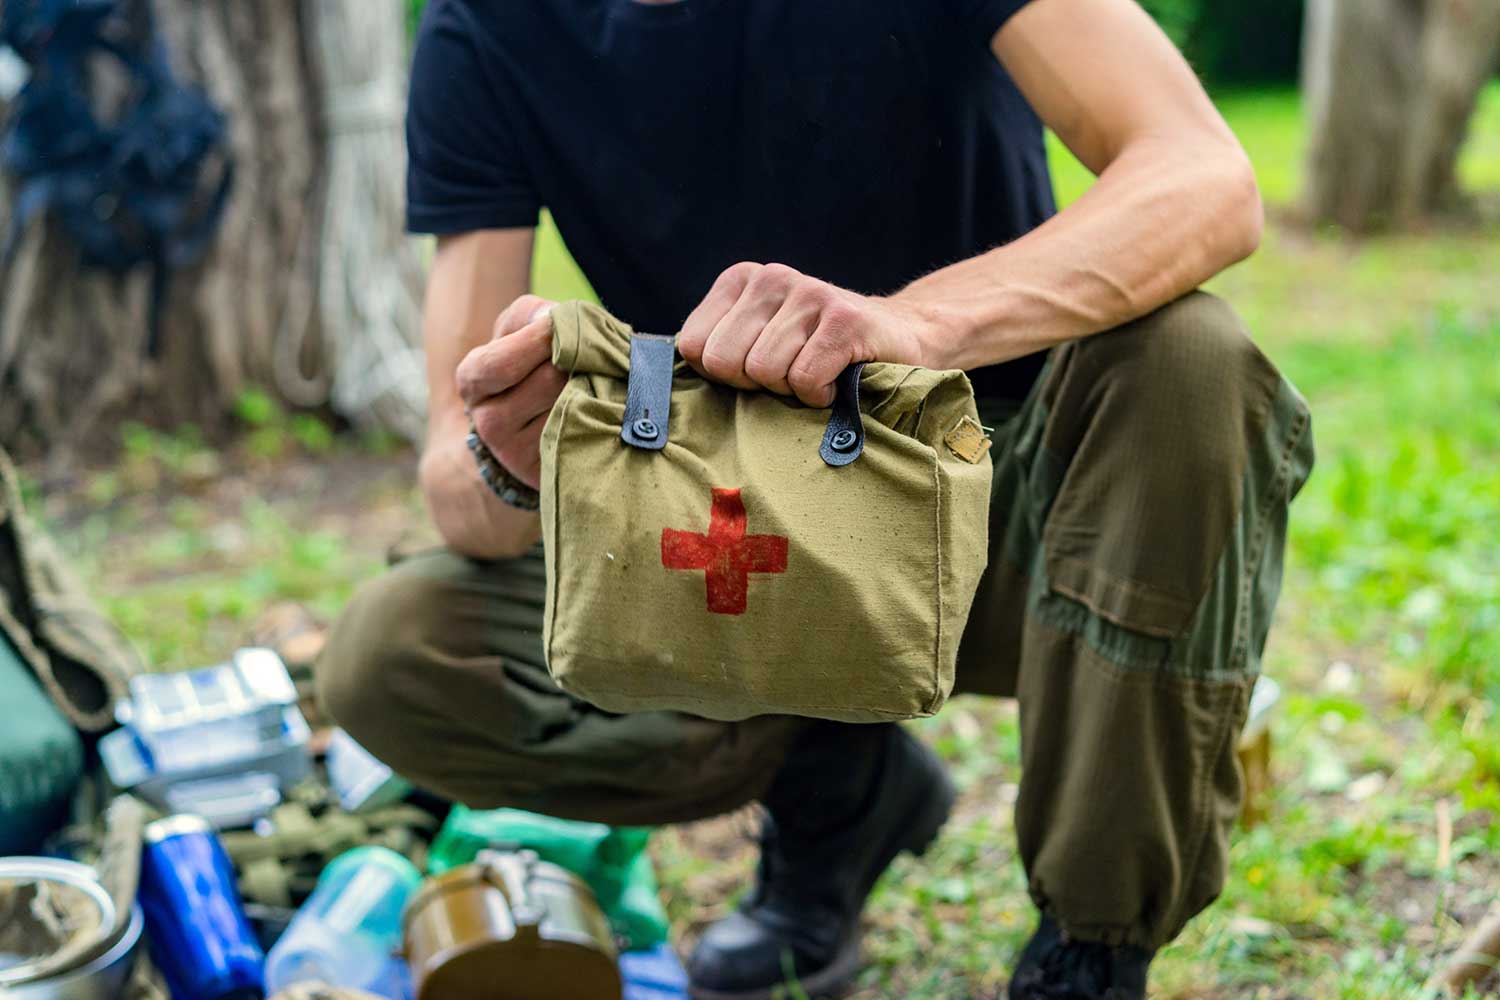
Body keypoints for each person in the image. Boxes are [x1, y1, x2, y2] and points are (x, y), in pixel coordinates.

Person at [316, 1, 1315, 997]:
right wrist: (511, 457)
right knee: (399, 650)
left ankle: (1090, 950)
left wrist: (909, 327)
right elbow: (457, 461)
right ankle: (836, 790)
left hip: (1014, 516)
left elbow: (1205, 177)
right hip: (735, 539)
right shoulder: (487, 29)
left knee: (1192, 362)